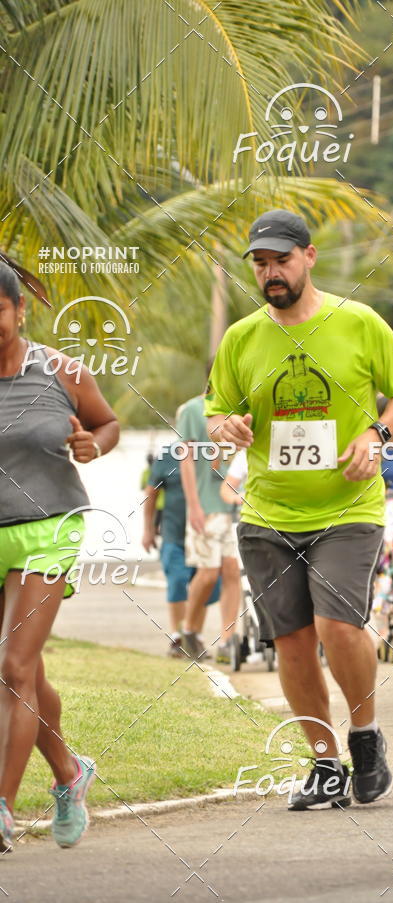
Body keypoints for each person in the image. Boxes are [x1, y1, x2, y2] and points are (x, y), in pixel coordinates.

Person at [205, 208, 393, 810]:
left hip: (348, 506)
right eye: (260, 263)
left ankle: (365, 734)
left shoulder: (356, 322)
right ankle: (325, 764)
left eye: (281, 259)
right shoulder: (242, 337)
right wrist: (228, 427)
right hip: (269, 513)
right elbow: (216, 408)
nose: (271, 272)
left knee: (337, 625)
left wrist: (378, 436)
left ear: (309, 257)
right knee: (292, 642)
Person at [0, 262, 119, 852]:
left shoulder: (61, 370)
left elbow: (107, 422)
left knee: (15, 667)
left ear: (19, 311)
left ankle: (1, 808)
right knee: (22, 671)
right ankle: (71, 775)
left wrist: (92, 444)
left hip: (49, 528)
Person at [177, 394, 241, 664]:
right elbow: (186, 459)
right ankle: (189, 630)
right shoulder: (193, 410)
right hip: (206, 504)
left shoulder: (241, 407)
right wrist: (193, 505)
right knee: (207, 574)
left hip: (238, 506)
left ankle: (228, 640)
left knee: (232, 570)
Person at [142, 442, 205, 658]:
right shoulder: (168, 456)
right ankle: (179, 637)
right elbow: (151, 493)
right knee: (177, 580)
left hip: (205, 535)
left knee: (204, 585)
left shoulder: (215, 451)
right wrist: (148, 530)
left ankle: (194, 634)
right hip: (173, 533)